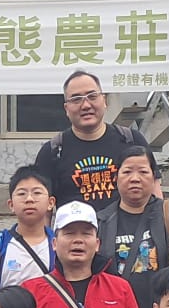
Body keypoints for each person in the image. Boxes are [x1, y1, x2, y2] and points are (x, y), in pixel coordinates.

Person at [98, 146, 169, 308]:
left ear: (154, 177)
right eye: (127, 172)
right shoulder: (102, 221)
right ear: (115, 177)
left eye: (143, 172)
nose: (135, 178)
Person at [33, 70, 145, 210]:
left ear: (104, 101)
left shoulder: (132, 141)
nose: (86, 105)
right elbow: (43, 212)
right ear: (66, 108)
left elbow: (154, 195)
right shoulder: (52, 152)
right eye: (76, 99)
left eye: (92, 96)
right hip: (76, 225)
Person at [0, 167, 57, 292]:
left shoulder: (61, 247)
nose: (29, 199)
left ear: (51, 203)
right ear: (11, 204)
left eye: (37, 193)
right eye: (22, 194)